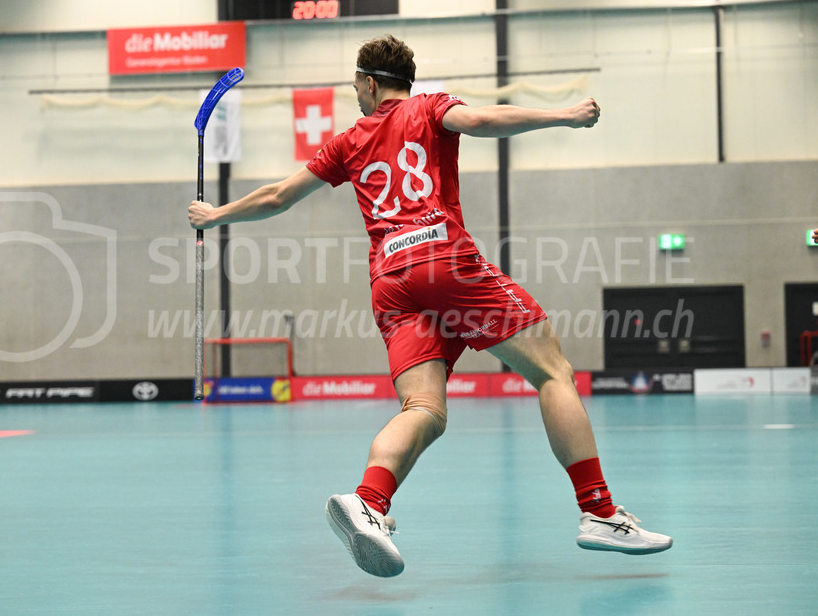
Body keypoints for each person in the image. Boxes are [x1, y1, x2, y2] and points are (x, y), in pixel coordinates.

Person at [189, 35, 672, 577]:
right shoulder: (429, 108)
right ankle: (599, 511)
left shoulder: (348, 141)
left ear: (371, 83)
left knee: (424, 410)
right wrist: (563, 115)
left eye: (355, 87)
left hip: (390, 283)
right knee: (553, 371)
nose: (356, 96)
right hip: (442, 259)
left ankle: (368, 502)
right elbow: (485, 121)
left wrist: (215, 215)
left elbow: (278, 195)